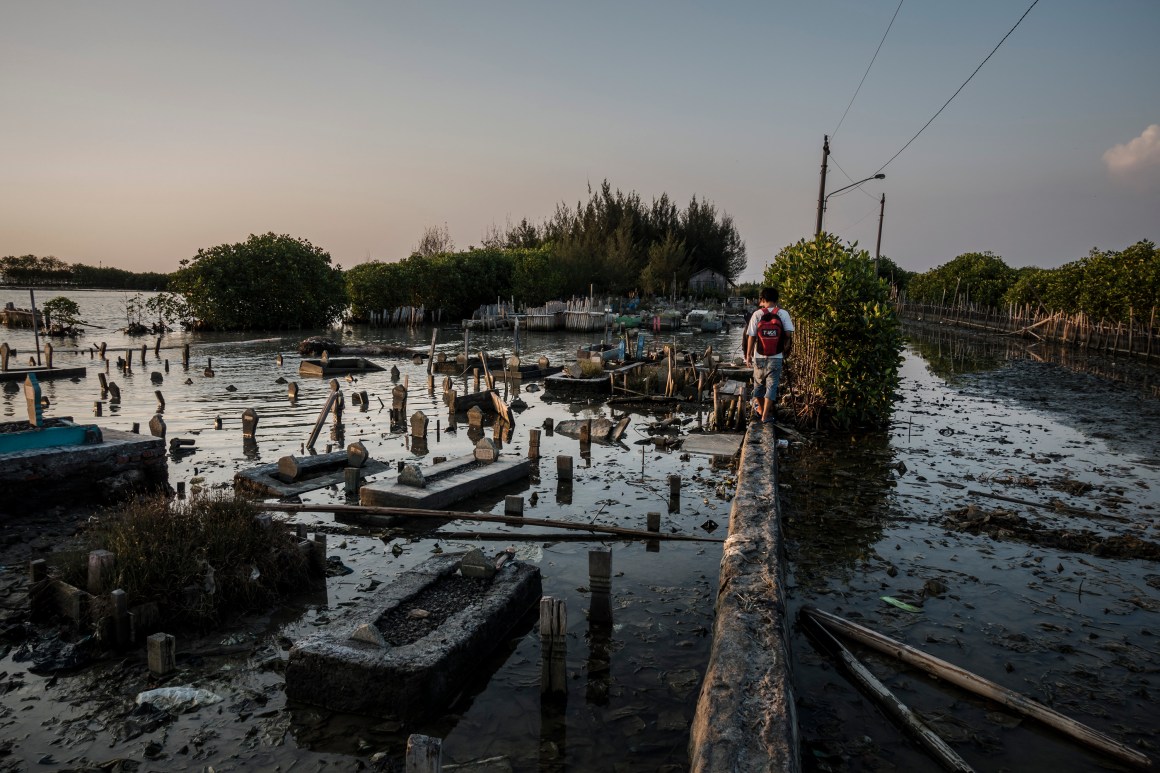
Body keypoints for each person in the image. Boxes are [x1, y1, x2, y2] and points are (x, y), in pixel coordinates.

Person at [744, 287, 794, 424]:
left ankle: (760, 409)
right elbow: (789, 333)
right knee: (772, 387)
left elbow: (751, 336)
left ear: (763, 299)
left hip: (759, 355)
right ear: (776, 299)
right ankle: (765, 416)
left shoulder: (757, 314)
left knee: (758, 386)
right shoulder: (783, 314)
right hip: (776, 356)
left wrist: (748, 355)